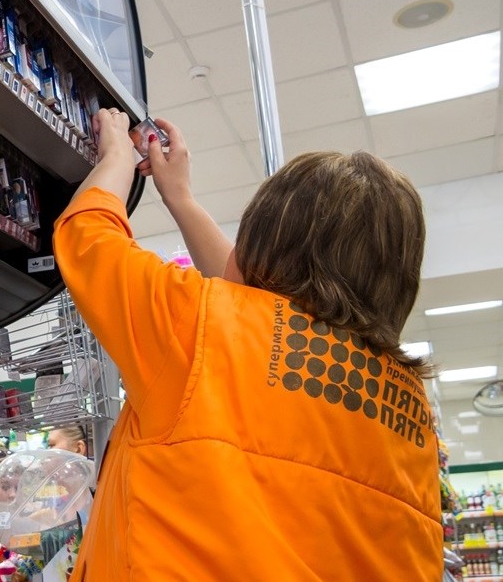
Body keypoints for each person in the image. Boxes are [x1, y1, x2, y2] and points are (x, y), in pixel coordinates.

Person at [52, 110, 441, 580]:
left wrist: (115, 153)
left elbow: (87, 235)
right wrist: (180, 199)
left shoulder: (200, 327)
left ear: (266, 243)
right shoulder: (407, 402)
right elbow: (261, 317)